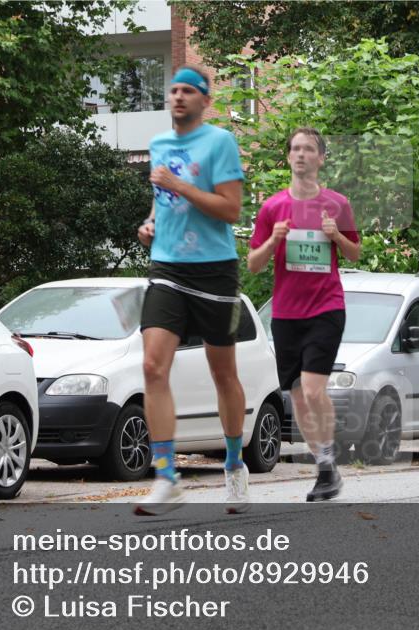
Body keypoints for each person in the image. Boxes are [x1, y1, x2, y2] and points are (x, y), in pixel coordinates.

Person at [133, 65, 249, 515]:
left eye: (188, 91)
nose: (178, 97)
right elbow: (163, 201)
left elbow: (232, 209)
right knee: (151, 365)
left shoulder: (219, 142)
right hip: (167, 267)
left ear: (205, 100)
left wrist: (179, 184)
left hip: (215, 270)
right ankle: (166, 478)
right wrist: (151, 223)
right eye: (173, 90)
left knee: (223, 374)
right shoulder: (160, 144)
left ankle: (235, 465)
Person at [248, 128, 360, 501]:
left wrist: (336, 237)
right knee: (297, 395)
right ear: (289, 157)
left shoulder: (337, 204)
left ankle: (327, 465)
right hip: (286, 312)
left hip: (326, 306)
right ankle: (326, 467)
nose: (300, 154)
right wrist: (273, 240)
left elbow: (354, 253)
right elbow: (252, 265)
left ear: (320, 158)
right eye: (295, 149)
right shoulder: (272, 208)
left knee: (313, 389)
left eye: (308, 149)